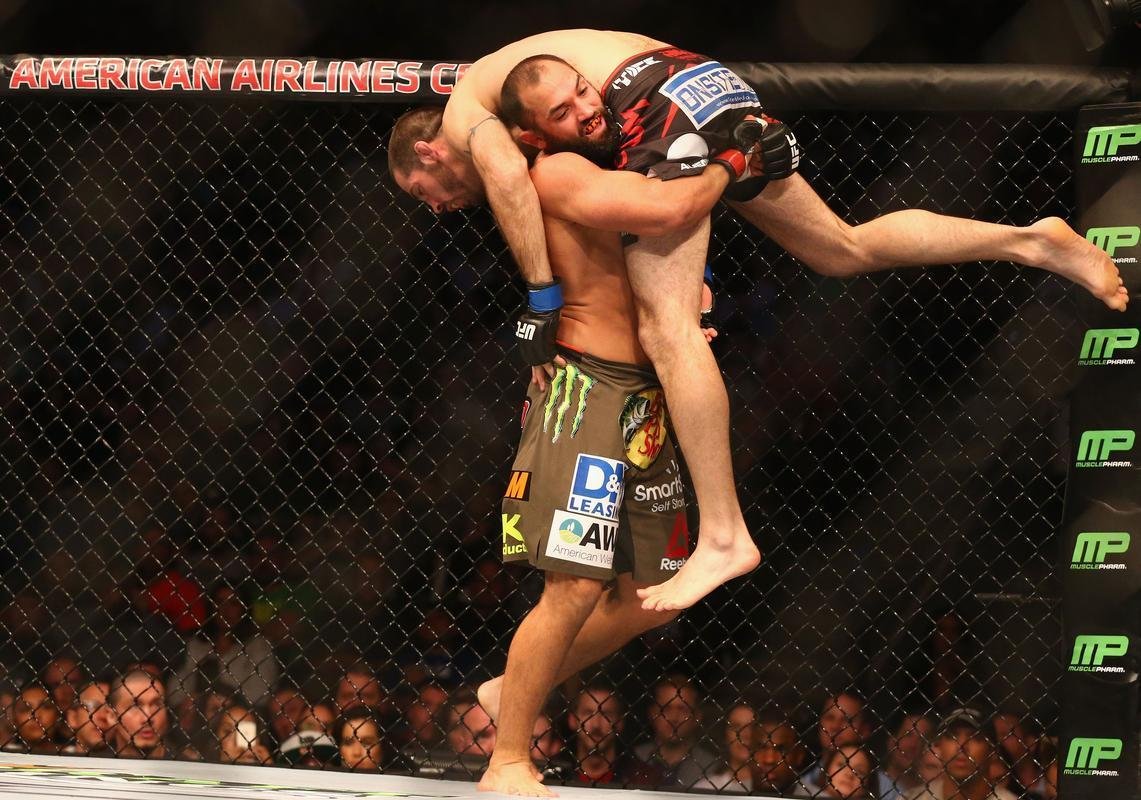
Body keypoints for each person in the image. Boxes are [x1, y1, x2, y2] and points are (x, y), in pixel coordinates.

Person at [390, 29, 1128, 616]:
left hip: (657, 101)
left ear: (428, 151)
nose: (431, 205)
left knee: (667, 330)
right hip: (703, 82)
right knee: (841, 247)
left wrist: (540, 304)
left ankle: (722, 536)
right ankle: (1031, 239)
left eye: (419, 188)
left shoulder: (466, 114)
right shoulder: (527, 86)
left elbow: (521, 189)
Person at [459, 128, 748, 796]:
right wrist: (732, 159)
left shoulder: (612, 175)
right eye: (566, 108)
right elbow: (668, 210)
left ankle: (509, 688)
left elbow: (659, 247)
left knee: (660, 592)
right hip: (587, 389)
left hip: (647, 396)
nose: (587, 113)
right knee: (573, 585)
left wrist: (684, 305)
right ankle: (505, 762)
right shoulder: (554, 173)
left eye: (588, 102)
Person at [105, 669, 171, 759]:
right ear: (112, 716)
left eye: (156, 704)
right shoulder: (96, 765)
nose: (147, 717)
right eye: (135, 706)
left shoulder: (187, 766)